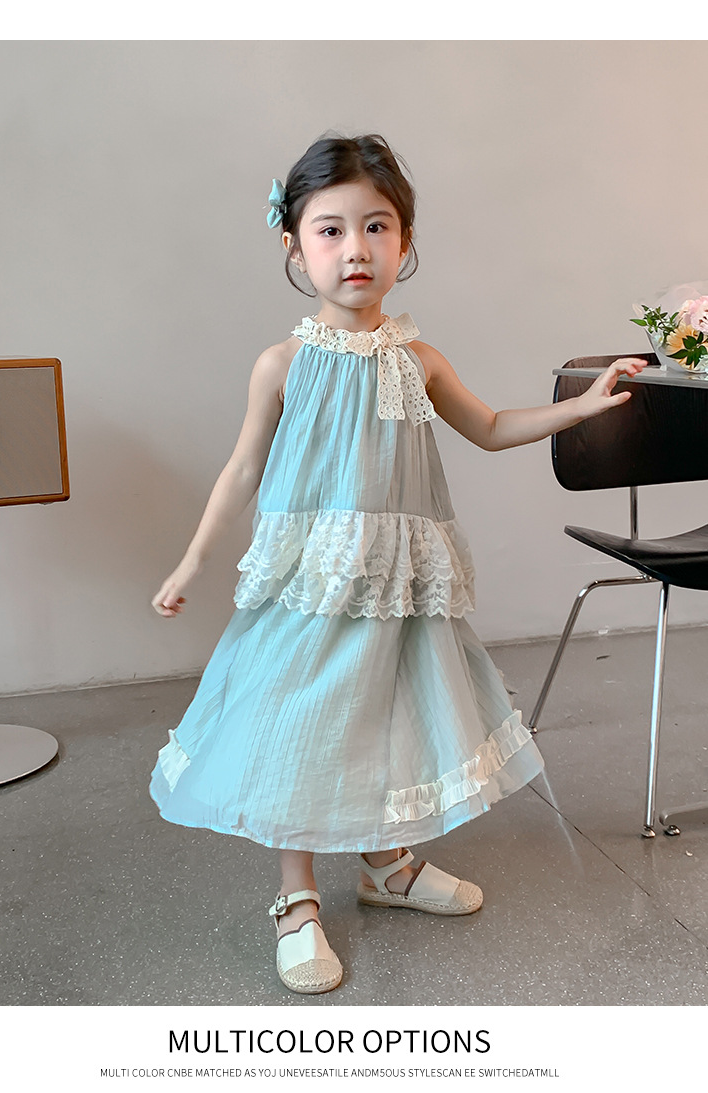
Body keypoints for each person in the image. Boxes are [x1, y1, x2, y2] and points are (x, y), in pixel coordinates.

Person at [149, 134, 646, 995]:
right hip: (313, 580)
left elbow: (489, 427)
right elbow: (242, 469)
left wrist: (582, 408)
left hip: (396, 580)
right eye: (331, 230)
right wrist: (192, 561)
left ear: (404, 243)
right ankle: (297, 898)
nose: (356, 248)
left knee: (388, 712)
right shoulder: (284, 363)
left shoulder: (419, 360)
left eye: (376, 227)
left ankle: (386, 864)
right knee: (301, 723)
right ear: (294, 247)